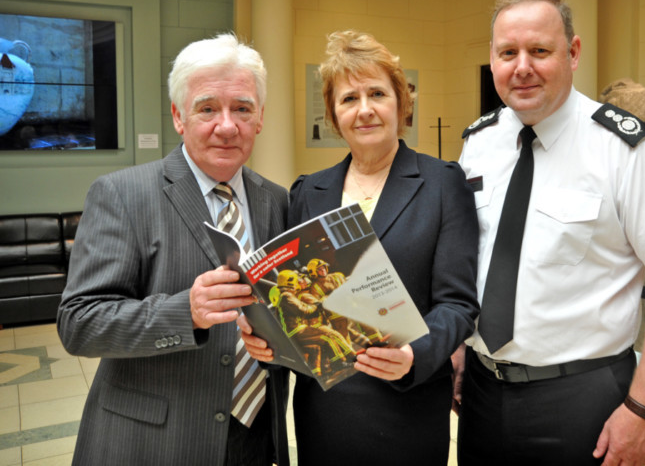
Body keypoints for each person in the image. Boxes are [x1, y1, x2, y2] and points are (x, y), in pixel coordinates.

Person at [454, 0, 645, 465]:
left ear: (572, 53)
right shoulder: (479, 143)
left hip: (582, 399)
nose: (522, 67)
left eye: (539, 51)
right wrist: (457, 349)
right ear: (492, 59)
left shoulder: (622, 148)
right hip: (480, 391)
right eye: (507, 53)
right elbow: (471, 257)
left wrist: (643, 410)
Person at [241, 30, 480, 465]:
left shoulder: (443, 184)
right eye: (349, 99)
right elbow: (295, 301)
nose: (364, 110)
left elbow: (458, 304)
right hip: (325, 409)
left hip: (407, 402)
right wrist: (269, 343)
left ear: (401, 104)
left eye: (377, 94)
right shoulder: (308, 191)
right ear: (334, 115)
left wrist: (414, 356)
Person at [57, 33, 290, 466]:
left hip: (255, 439)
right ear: (178, 116)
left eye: (242, 108)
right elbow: (79, 323)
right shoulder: (122, 194)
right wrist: (188, 312)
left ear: (260, 119)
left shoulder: (276, 201)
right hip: (155, 443)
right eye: (207, 108)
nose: (226, 125)